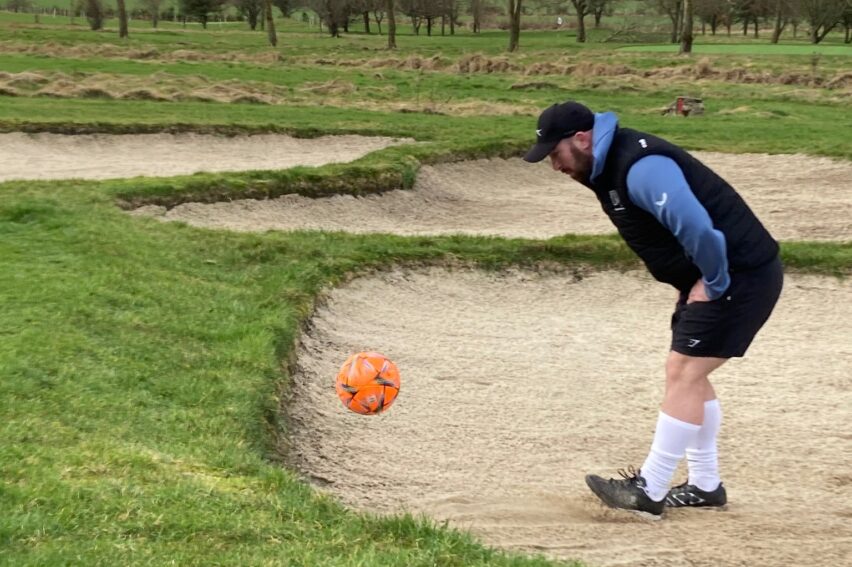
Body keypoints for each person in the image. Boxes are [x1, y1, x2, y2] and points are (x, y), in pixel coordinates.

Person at [523, 101, 784, 519]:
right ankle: (704, 484)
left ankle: (650, 488)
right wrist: (690, 280)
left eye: (556, 154)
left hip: (740, 275)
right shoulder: (605, 165)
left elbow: (698, 227)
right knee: (688, 374)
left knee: (684, 372)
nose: (555, 166)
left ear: (582, 138)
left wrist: (714, 283)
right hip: (728, 275)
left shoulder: (639, 166)